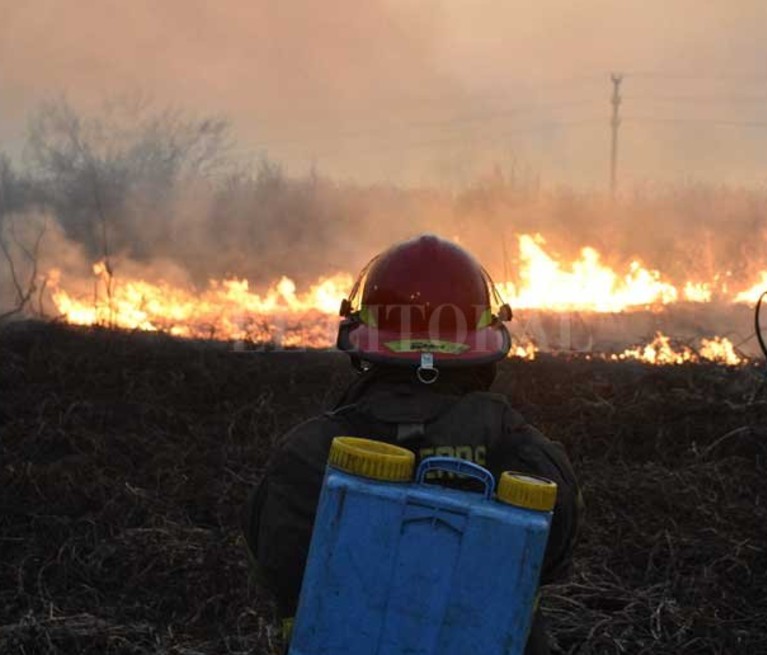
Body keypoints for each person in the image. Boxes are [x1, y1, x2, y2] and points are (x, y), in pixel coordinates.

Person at [242, 234, 581, 654]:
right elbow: (552, 561)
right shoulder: (529, 458)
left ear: (365, 338)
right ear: (483, 339)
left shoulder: (308, 455)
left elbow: (275, 567)